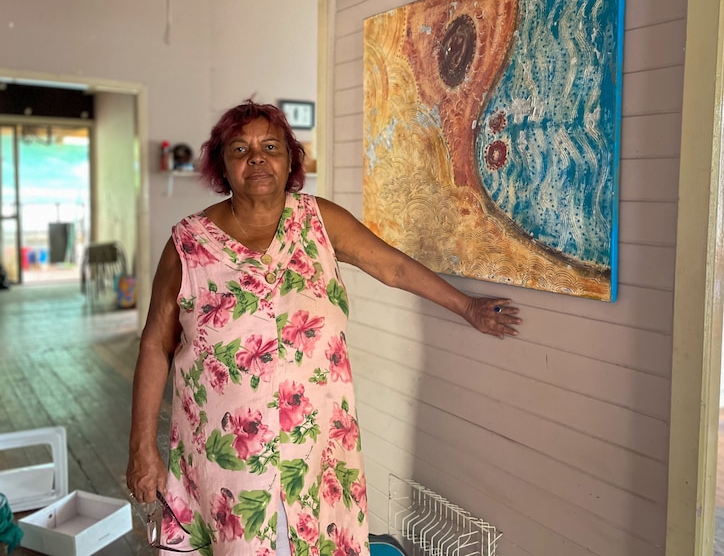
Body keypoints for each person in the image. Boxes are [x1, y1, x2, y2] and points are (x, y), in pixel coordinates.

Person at [126, 100, 521, 556]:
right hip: (225, 462)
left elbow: (391, 267)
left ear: (291, 159)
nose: (257, 157)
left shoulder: (318, 221)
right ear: (223, 165)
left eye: (270, 146)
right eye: (240, 148)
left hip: (316, 450)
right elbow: (155, 344)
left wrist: (466, 306)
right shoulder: (188, 244)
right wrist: (142, 447)